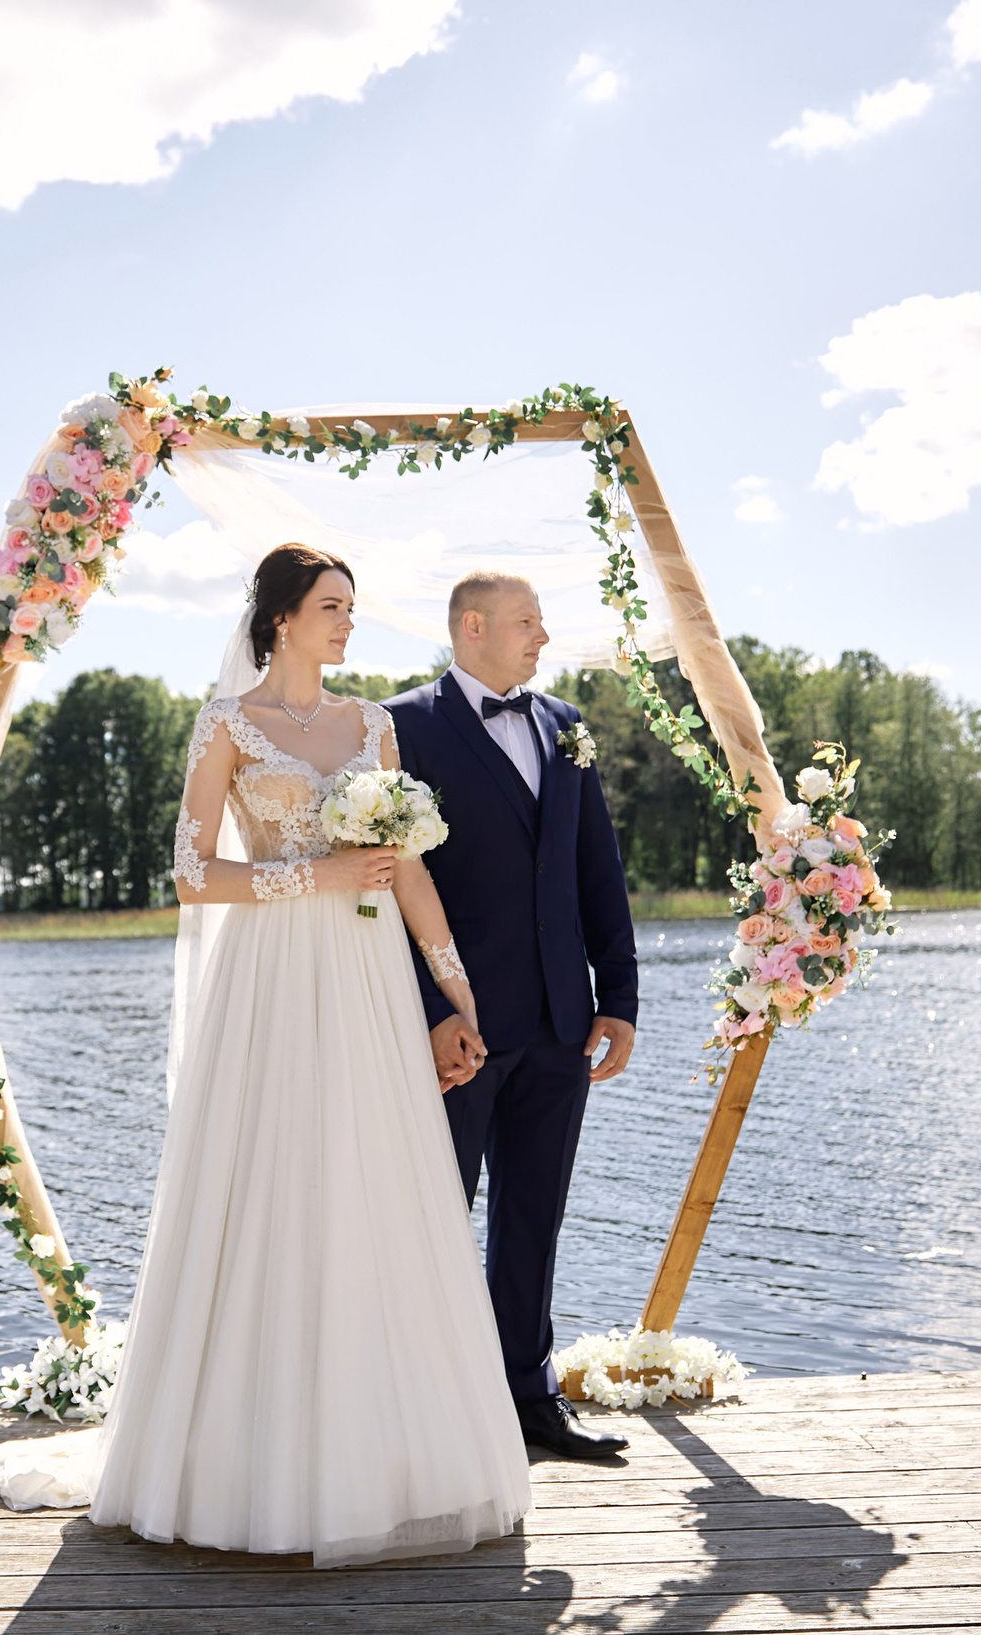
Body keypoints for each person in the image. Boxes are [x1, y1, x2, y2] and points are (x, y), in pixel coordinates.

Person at [0, 543, 530, 1568]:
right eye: (330, 606)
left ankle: (396, 1457)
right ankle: (240, 1465)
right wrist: (313, 878)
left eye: (351, 610)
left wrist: (456, 989)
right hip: (270, 980)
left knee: (376, 1188)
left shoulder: (374, 727)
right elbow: (193, 875)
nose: (345, 624)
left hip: (366, 982)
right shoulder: (227, 727)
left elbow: (405, 873)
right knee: (268, 1183)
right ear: (279, 618)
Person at [383, 570, 640, 1461]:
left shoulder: (565, 727)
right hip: (455, 1029)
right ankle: (423, 1406)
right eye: (528, 621)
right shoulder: (399, 726)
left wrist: (621, 997)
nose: (543, 635)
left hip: (562, 1023)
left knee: (534, 1213)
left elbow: (596, 869)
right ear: (473, 626)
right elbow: (381, 892)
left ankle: (527, 1399)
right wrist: (426, 1010)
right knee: (433, 1214)